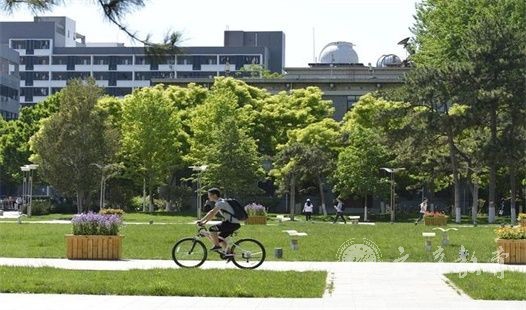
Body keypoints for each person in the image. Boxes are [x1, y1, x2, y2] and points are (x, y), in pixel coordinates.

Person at [197, 188, 241, 253]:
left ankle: (217, 246)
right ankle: (230, 253)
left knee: (212, 229)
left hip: (231, 224)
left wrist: (202, 221)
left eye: (209, 195)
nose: (208, 197)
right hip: (232, 223)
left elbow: (212, 213)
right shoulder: (220, 202)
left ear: (214, 195)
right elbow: (211, 213)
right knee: (219, 239)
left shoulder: (221, 203)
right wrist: (203, 221)